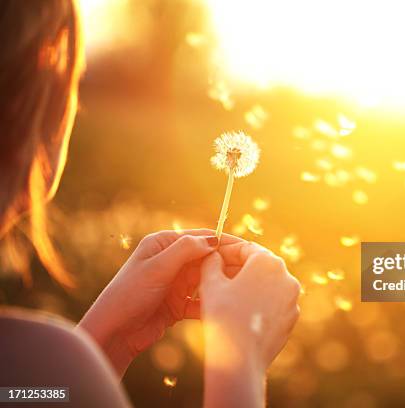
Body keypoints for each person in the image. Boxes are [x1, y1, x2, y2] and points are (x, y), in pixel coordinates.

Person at [0, 1, 300, 407]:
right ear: (29, 118)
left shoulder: (36, 368)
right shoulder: (43, 361)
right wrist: (241, 360)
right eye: (72, 81)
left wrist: (106, 340)